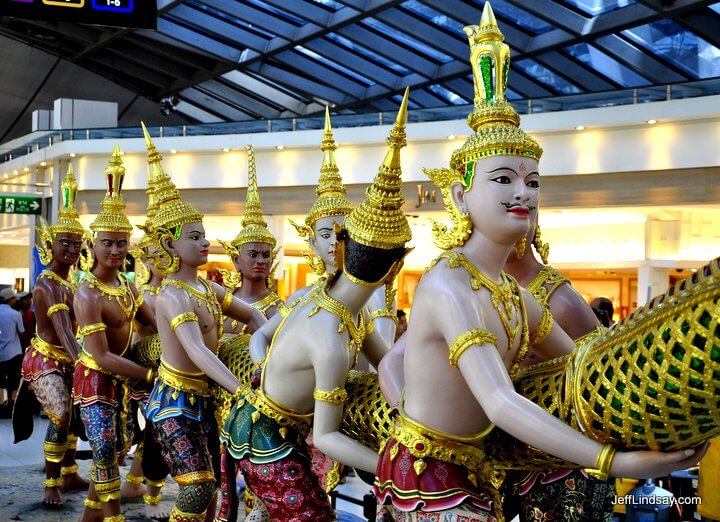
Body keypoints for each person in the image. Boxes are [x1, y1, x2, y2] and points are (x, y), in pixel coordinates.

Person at [374, 5, 704, 521]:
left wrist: (662, 412)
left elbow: (581, 365)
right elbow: (499, 402)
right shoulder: (449, 285)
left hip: (483, 465)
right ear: (460, 198)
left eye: (532, 181)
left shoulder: (511, 293)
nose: (522, 192)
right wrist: (614, 461)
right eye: (502, 179)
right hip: (427, 473)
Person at [220, 91, 412, 521]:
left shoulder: (352, 312)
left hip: (300, 423)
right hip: (264, 434)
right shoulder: (323, 322)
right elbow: (326, 435)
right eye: (326, 234)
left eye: (340, 236)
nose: (333, 244)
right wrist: (393, 469)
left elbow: (385, 366)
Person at [138, 123, 266, 522]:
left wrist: (267, 349)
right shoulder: (170, 295)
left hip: (205, 399)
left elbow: (254, 314)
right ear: (169, 245)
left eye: (204, 235)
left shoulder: (209, 289)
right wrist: (243, 389)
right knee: (198, 487)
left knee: (213, 489)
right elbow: (195, 350)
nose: (204, 242)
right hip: (173, 402)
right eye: (194, 237)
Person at [503, 218, 616, 521]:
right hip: (490, 451)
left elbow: (600, 384)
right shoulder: (462, 283)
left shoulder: (559, 300)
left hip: (556, 464)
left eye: (529, 202)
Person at [73, 146, 158, 522]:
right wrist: (152, 375)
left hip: (124, 377)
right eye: (106, 242)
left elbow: (150, 324)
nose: (114, 249)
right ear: (92, 245)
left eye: (121, 243)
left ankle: (91, 515)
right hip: (95, 377)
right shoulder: (86, 292)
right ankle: (113, 517)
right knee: (106, 449)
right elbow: (103, 355)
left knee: (120, 446)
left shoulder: (128, 285)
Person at [13, 165, 88, 508]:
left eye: (77, 244)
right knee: (60, 414)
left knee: (74, 414)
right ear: (50, 244)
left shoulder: (74, 283)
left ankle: (70, 470)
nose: (72, 249)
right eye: (65, 243)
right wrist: (85, 363)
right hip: (44, 357)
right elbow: (62, 330)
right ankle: (52, 482)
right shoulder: (47, 284)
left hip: (70, 356)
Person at [120, 168, 171, 522]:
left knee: (156, 430)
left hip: (170, 369)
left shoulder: (175, 290)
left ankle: (145, 482)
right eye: (154, 253)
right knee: (151, 429)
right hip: (149, 372)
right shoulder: (146, 293)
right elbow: (148, 331)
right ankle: (142, 482)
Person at [219, 145, 285, 336]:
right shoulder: (221, 303)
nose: (261, 260)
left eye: (266, 255)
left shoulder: (278, 310)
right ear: (236, 260)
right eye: (253, 254)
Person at [0, 287, 24, 419]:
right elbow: (21, 331)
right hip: (14, 353)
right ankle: (12, 407)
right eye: (14, 298)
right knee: (14, 381)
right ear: (10, 300)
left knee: (0, 381)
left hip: (0, 354)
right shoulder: (15, 314)